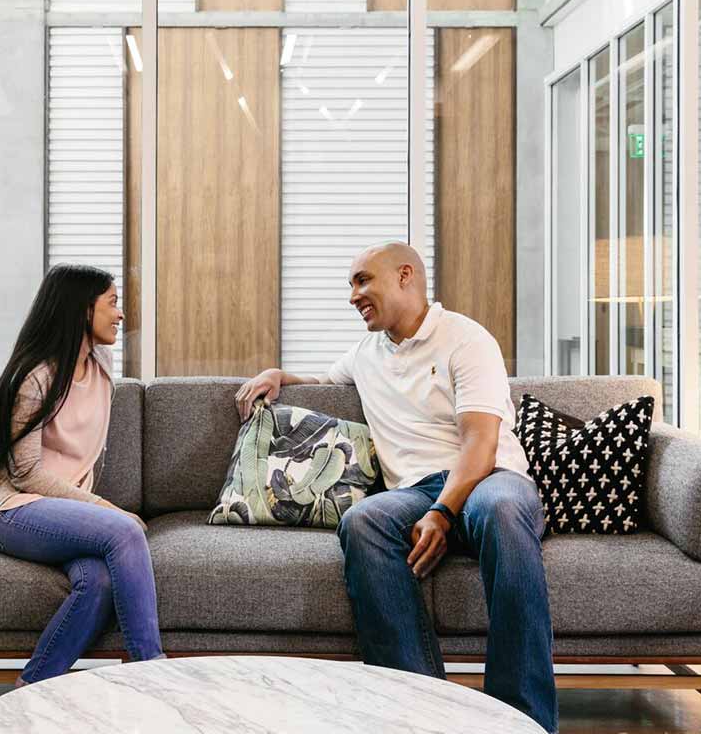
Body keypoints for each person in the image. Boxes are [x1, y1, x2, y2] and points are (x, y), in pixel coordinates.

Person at [235, 242, 558, 732]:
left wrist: (444, 513)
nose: (353, 296)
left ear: (405, 275)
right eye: (351, 285)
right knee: (363, 521)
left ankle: (521, 718)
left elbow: (481, 442)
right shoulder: (367, 352)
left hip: (489, 479)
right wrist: (277, 374)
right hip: (413, 491)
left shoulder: (466, 339)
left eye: (363, 281)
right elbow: (322, 381)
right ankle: (418, 711)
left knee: (504, 513)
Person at [0, 264, 164, 686]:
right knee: (126, 532)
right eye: (112, 303)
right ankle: (153, 676)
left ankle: (31, 687)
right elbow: (26, 475)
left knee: (97, 582)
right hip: (17, 510)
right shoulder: (36, 377)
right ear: (82, 310)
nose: (120, 315)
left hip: (64, 512)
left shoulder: (101, 364)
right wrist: (104, 508)